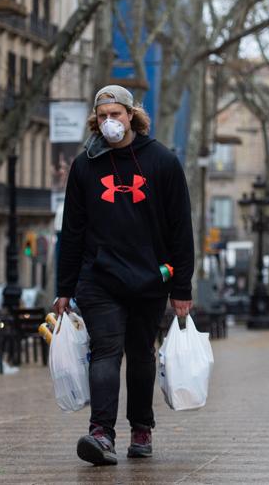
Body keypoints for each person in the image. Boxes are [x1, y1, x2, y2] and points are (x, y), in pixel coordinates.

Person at [54, 85, 195, 466]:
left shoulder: (163, 161)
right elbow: (73, 230)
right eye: (103, 116)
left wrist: (181, 286)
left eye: (116, 114)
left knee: (140, 354)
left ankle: (142, 429)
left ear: (131, 116)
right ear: (95, 121)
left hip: (150, 277)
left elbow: (181, 228)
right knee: (105, 351)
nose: (110, 122)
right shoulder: (86, 164)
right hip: (99, 278)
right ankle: (101, 432)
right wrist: (64, 288)